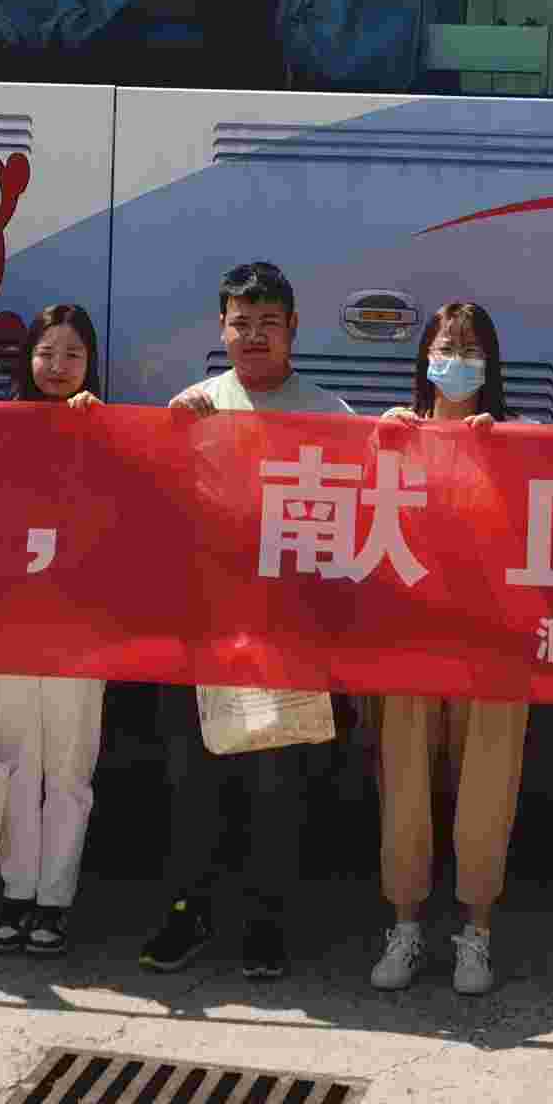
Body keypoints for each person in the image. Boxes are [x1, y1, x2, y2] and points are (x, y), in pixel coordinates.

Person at [138, 260, 356, 983]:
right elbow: (153, 509)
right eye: (241, 323)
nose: (254, 336)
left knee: (277, 784)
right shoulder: (193, 405)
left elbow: (361, 514)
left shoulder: (328, 412)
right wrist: (173, 438)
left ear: (293, 329)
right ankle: (188, 911)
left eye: (268, 323)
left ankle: (267, 921)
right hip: (203, 629)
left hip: (287, 632)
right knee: (193, 781)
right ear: (222, 329)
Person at [365, 301, 535, 999]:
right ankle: (405, 927)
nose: (455, 360)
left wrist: (511, 452)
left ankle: (476, 933)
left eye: (468, 349)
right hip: (408, 639)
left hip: (493, 644)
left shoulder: (521, 435)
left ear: (490, 362)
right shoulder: (393, 431)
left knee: (487, 788)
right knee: (402, 785)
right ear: (424, 358)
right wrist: (377, 446)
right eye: (444, 346)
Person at [0, 302, 110, 958]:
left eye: (73, 355)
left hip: (83, 630)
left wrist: (99, 434)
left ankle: (55, 899)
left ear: (91, 363)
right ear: (27, 359)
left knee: (70, 770)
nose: (58, 366)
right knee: (16, 763)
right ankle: (16, 891)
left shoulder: (107, 430)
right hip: (12, 626)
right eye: (47, 353)